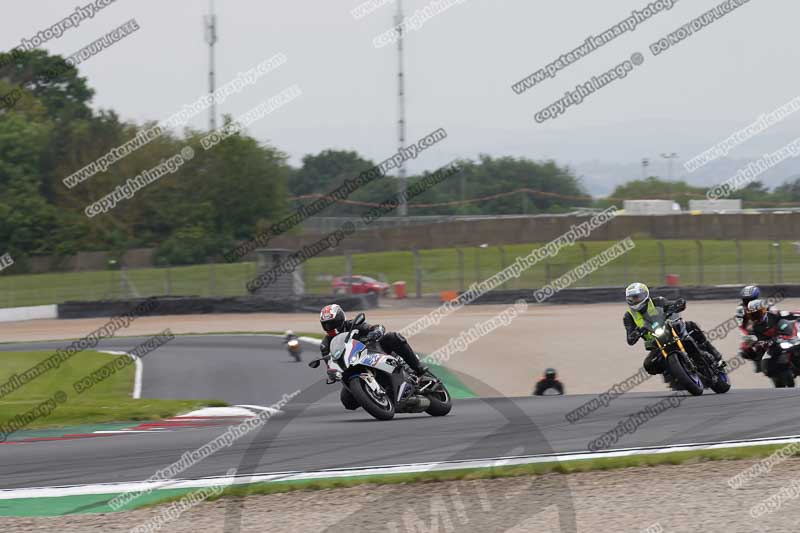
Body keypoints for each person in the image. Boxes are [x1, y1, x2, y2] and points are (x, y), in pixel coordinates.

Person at [623, 283, 724, 379]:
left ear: (645, 295)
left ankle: (715, 355)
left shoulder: (658, 301)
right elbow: (630, 339)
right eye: (631, 298)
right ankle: (672, 375)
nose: (634, 300)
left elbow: (671, 304)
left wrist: (678, 304)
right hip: (656, 343)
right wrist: (636, 333)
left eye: (636, 297)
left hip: (670, 329)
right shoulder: (629, 316)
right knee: (649, 365)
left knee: (691, 326)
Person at [318, 304, 427, 377]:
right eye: (326, 324)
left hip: (373, 352)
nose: (330, 326)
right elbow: (330, 364)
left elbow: (372, 327)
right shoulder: (325, 345)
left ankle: (418, 367)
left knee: (392, 337)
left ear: (341, 318)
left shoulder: (353, 325)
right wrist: (332, 372)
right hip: (352, 367)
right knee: (346, 399)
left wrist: (376, 331)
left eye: (333, 322)